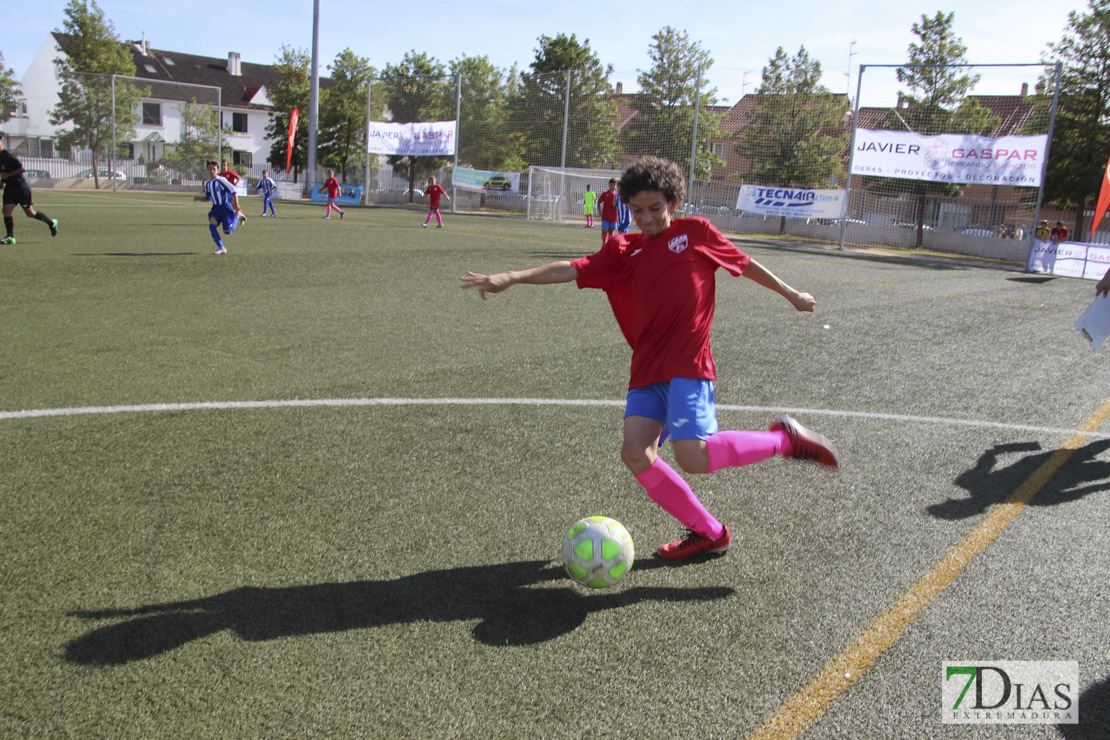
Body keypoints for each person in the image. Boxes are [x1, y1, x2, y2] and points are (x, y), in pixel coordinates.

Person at [461, 156, 840, 560]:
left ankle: (785, 440)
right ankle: (709, 533)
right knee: (635, 453)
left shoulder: (696, 233)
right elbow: (569, 269)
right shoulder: (621, 251)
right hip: (646, 368)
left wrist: (792, 294)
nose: (647, 218)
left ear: (674, 203)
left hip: (687, 364)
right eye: (637, 211)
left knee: (694, 456)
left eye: (655, 209)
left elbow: (745, 265)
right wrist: (512, 277)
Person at [0, 138, 58, 244]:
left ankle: (51, 223)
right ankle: (10, 237)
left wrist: (8, 175)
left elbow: (22, 169)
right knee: (6, 211)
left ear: (1, 142)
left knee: (30, 213)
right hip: (10, 188)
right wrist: (2, 182)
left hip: (20, 187)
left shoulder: (8, 155)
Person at [194, 160, 241, 255]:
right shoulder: (208, 184)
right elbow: (208, 198)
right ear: (207, 170)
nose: (212, 171)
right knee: (212, 226)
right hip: (215, 208)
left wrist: (236, 206)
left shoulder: (221, 180)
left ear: (217, 170)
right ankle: (221, 247)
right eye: (210, 169)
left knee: (227, 232)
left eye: (214, 169)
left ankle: (237, 216)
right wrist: (198, 198)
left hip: (225, 208)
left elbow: (233, 190)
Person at [218, 159, 247, 225]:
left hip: (230, 192)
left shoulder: (230, 173)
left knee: (233, 205)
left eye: (224, 165)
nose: (223, 167)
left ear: (227, 166)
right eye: (222, 165)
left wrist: (235, 185)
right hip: (224, 193)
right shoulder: (220, 175)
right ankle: (240, 216)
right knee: (230, 206)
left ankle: (239, 216)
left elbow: (239, 177)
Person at [597, 178, 618, 245]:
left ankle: (609, 245)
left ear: (616, 185)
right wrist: (600, 211)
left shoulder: (617, 195)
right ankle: (604, 244)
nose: (613, 186)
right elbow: (598, 202)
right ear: (609, 185)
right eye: (611, 184)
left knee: (611, 232)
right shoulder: (605, 193)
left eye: (614, 184)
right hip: (605, 216)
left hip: (614, 217)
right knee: (605, 230)